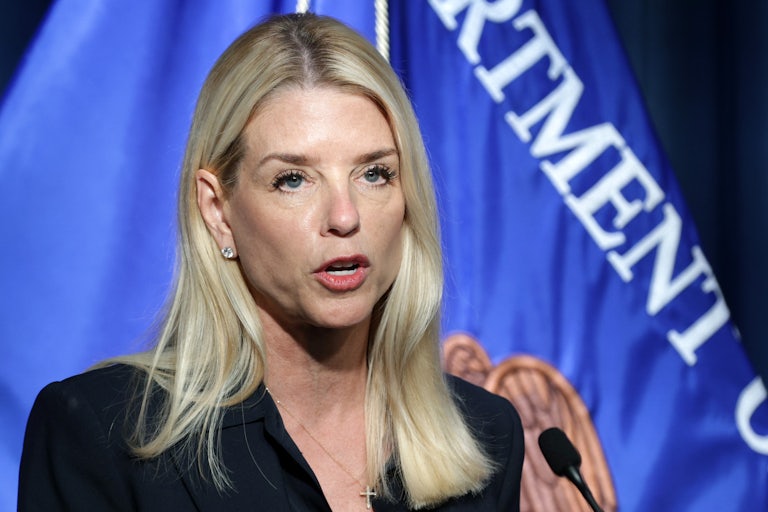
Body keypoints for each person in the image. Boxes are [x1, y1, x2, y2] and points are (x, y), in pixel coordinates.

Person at [18, 12, 524, 511]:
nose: (345, 217)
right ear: (218, 211)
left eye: (374, 173)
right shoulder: (101, 432)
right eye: (293, 180)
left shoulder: (487, 434)